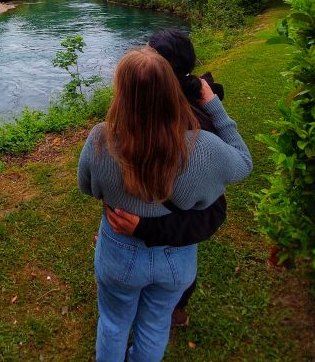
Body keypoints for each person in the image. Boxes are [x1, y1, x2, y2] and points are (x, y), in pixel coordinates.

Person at [78, 47, 251, 362]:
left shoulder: (101, 139)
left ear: (121, 93)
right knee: (156, 322)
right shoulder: (204, 147)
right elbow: (244, 162)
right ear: (172, 90)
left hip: (118, 250)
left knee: (115, 322)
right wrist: (214, 106)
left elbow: (87, 187)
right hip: (176, 258)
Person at [105, 30, 227, 327]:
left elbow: (213, 211)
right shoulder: (143, 113)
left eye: (147, 59)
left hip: (169, 248)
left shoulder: (195, 130)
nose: (139, 63)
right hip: (131, 246)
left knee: (155, 314)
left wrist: (146, 227)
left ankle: (174, 309)